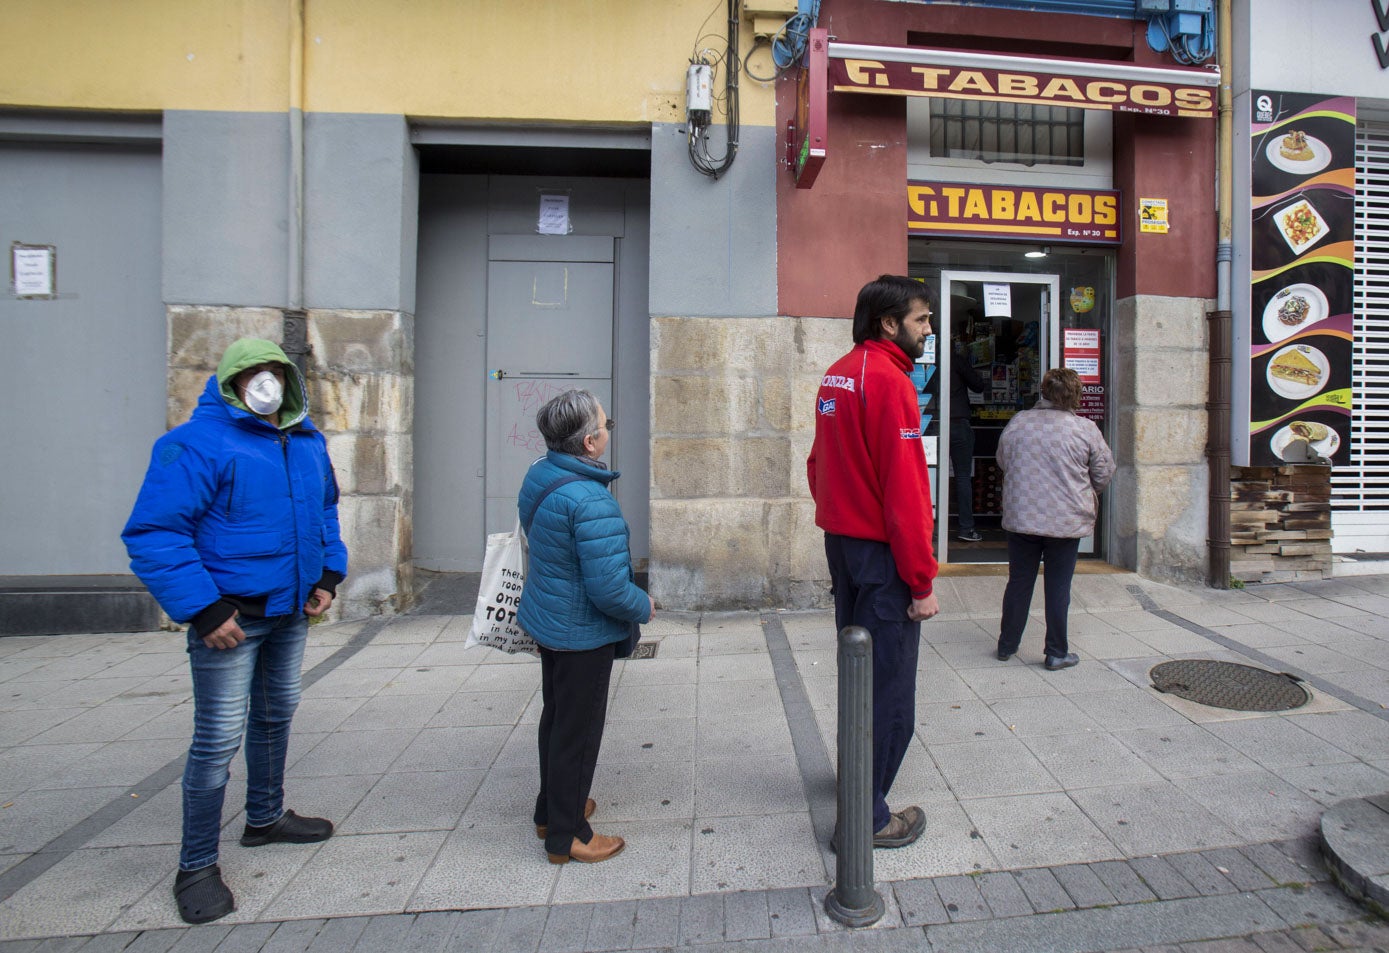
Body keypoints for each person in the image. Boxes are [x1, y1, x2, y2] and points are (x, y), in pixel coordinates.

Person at [122, 338, 347, 925]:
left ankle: (265, 817)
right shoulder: (193, 445)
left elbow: (325, 510)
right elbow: (154, 534)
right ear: (230, 382)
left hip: (291, 607)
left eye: (274, 373)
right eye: (253, 374)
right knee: (218, 739)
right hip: (230, 619)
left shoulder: (305, 441)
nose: (265, 383)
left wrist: (328, 573)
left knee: (276, 714)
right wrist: (203, 610)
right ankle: (195, 866)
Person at [807, 274, 941, 849]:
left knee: (857, 673)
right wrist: (921, 579)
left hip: (845, 547)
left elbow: (818, 465)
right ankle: (867, 818)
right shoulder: (890, 382)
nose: (929, 330)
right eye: (922, 320)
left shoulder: (838, 372)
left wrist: (841, 520)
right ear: (889, 323)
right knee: (888, 693)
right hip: (883, 558)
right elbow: (908, 492)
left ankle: (854, 779)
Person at [517, 389, 653, 865]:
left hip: (550, 619)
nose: (607, 432)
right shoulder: (590, 501)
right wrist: (646, 605)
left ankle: (550, 809)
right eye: (605, 426)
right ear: (591, 443)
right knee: (578, 732)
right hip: (582, 631)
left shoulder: (541, 474)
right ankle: (568, 834)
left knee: (556, 720)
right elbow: (610, 590)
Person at [995, 367, 1115, 671]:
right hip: (1065, 520)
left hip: (1023, 516)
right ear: (1075, 395)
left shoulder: (1019, 422)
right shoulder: (1085, 429)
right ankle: (1056, 651)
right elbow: (1103, 472)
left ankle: (1007, 645)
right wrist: (1082, 489)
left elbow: (1003, 461)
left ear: (1044, 392)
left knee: (1019, 582)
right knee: (1058, 586)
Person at [950, 332, 989, 543]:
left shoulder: (921, 361)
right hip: (958, 422)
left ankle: (924, 527)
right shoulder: (957, 360)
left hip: (932, 422)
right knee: (963, 477)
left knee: (925, 474)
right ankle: (966, 528)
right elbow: (978, 385)